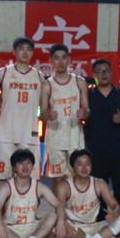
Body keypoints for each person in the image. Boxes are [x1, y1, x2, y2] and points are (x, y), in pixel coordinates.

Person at [83, 59, 120, 214]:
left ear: (112, 73)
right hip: (94, 150)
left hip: (118, 150)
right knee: (97, 190)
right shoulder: (88, 95)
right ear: (94, 74)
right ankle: (100, 221)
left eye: (106, 70)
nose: (103, 74)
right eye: (99, 71)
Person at [0, 148, 61, 238]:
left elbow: (59, 205)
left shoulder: (39, 186)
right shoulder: (7, 186)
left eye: (28, 163)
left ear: (32, 166)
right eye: (20, 163)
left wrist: (61, 223)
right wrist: (0, 228)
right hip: (11, 229)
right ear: (14, 167)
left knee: (53, 216)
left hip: (32, 230)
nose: (25, 166)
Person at [54, 149, 120, 238]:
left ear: (91, 166)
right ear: (72, 167)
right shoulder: (63, 186)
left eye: (87, 164)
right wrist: (64, 223)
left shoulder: (99, 183)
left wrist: (115, 213)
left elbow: (115, 205)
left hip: (95, 226)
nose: (84, 168)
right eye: (80, 164)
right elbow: (59, 208)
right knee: (64, 235)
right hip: (74, 228)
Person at [0, 37, 43, 183]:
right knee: (1, 179)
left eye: (29, 49)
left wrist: (43, 113)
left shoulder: (39, 76)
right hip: (4, 133)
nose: (25, 52)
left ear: (32, 53)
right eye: (21, 49)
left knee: (30, 181)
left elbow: (43, 105)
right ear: (14, 52)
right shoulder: (2, 73)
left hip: (30, 134)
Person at [40, 44, 89, 182]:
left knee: (77, 178)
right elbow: (42, 113)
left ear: (69, 60)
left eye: (63, 58)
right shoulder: (47, 85)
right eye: (56, 58)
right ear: (51, 61)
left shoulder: (79, 82)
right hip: (55, 139)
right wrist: (48, 115)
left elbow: (87, 109)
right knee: (58, 180)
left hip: (75, 137)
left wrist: (84, 113)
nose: (60, 62)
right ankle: (59, 198)